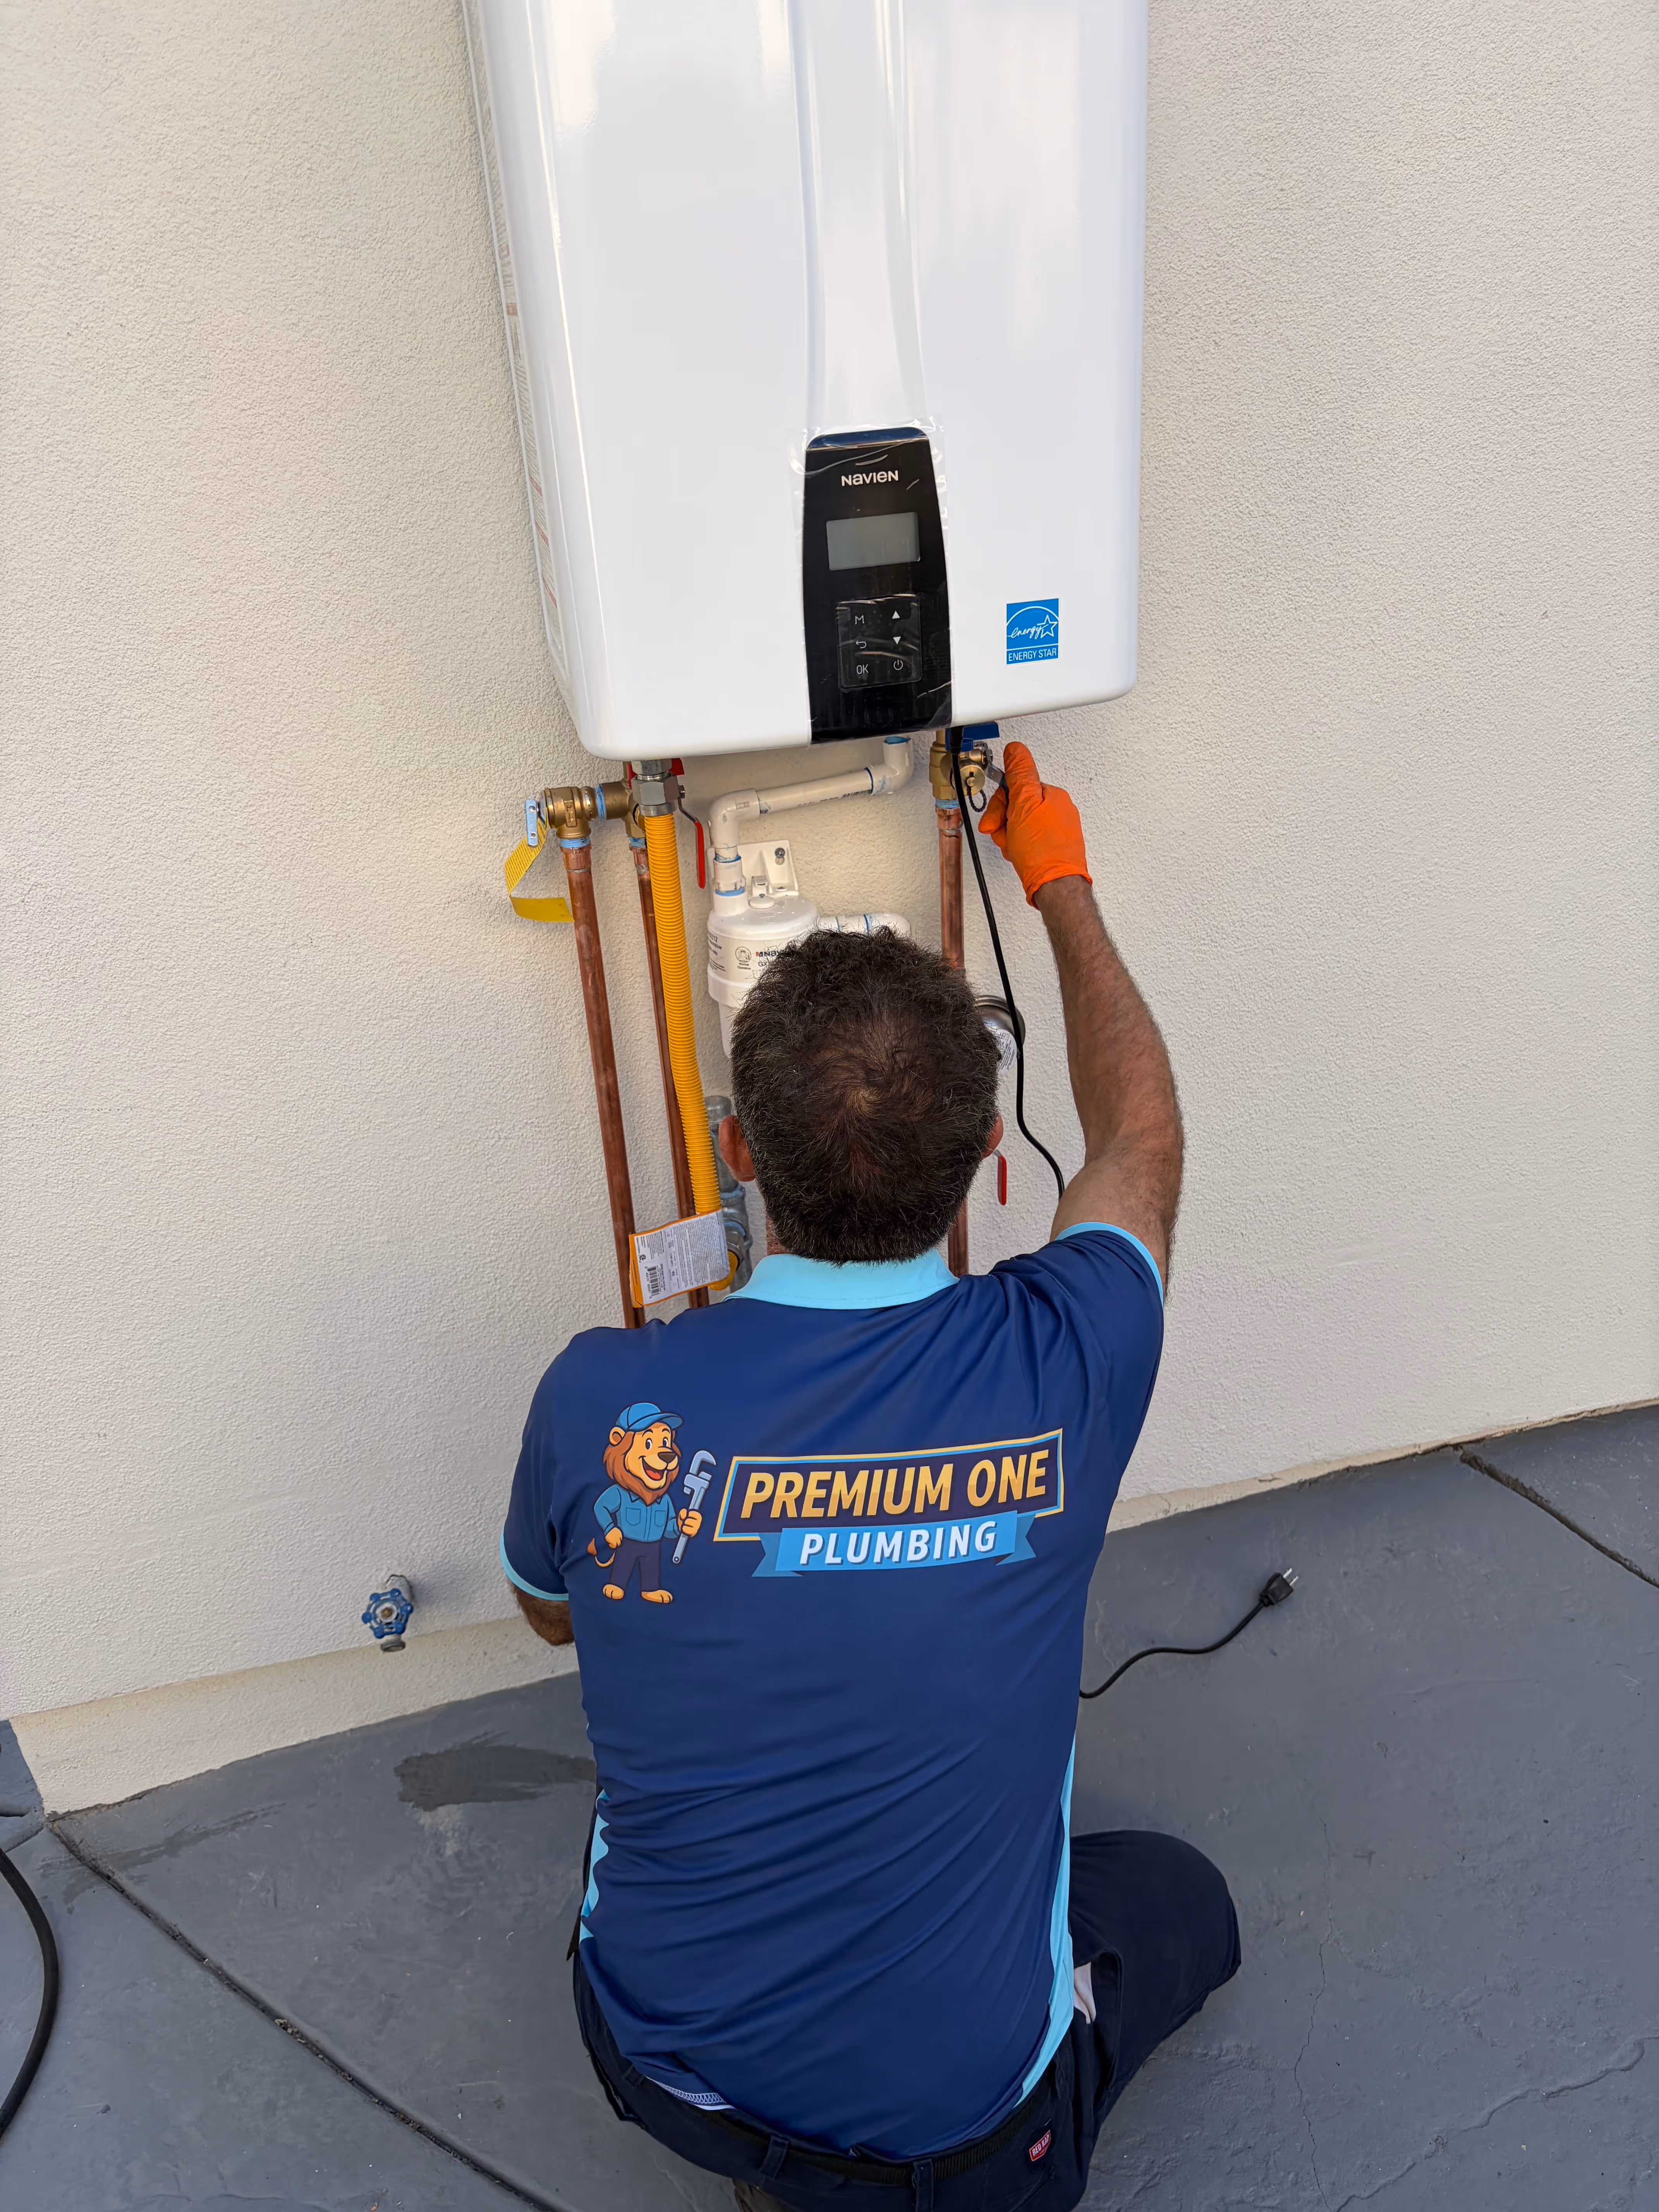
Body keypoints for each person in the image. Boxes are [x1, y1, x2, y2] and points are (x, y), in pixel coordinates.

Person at [501, 740, 1240, 2212]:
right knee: (1181, 1905)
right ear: (981, 1160)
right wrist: (1058, 883)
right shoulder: (1068, 1359)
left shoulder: (606, 1395)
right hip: (951, 2141)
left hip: (660, 2063)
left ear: (737, 1153)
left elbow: (554, 1617)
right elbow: (1138, 1143)